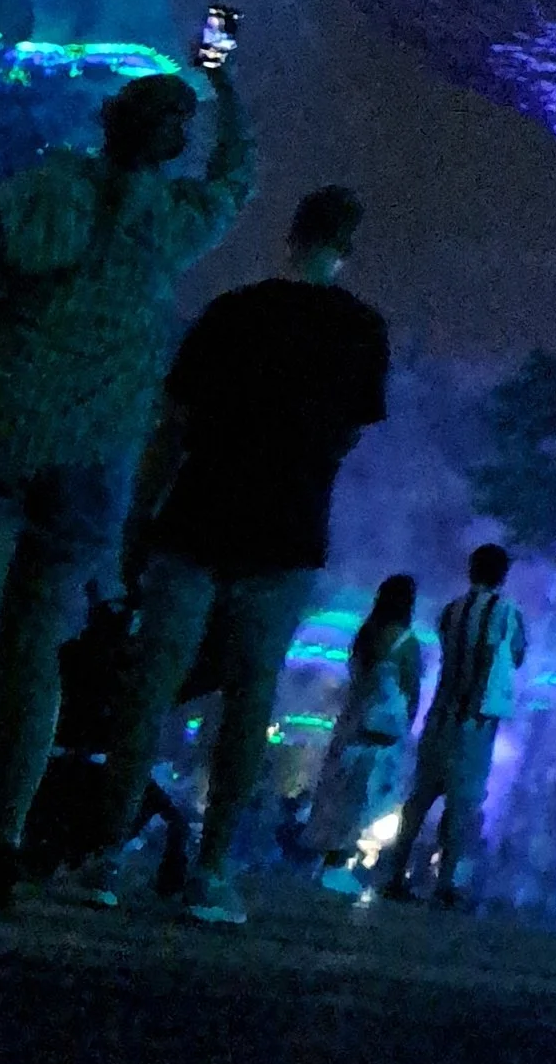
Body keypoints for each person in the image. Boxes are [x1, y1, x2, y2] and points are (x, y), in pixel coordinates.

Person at [0, 56, 254, 907]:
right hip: (92, 459)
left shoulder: (38, 194)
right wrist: (225, 84)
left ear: (106, 121)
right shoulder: (175, 220)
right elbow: (237, 179)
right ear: (172, 144)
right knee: (34, 653)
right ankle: (4, 840)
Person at [69, 183, 388, 926]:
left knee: (150, 690)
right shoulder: (362, 330)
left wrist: (139, 517)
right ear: (349, 243)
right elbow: (348, 435)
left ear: (291, 232)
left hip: (198, 516)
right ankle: (211, 870)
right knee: (250, 699)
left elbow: (172, 424)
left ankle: (107, 854)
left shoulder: (232, 311)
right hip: (286, 531)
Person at [383, 544, 526, 908]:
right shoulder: (506, 612)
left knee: (420, 798)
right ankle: (444, 883)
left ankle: (395, 873)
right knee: (462, 805)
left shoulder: (450, 610)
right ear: (502, 575)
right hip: (474, 722)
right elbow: (517, 655)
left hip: (440, 714)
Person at [309, 574, 424, 891]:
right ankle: (339, 864)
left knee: (341, 792)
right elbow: (411, 689)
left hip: (352, 722)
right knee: (365, 797)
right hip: (382, 731)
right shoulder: (406, 642)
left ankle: (329, 859)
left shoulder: (365, 635)